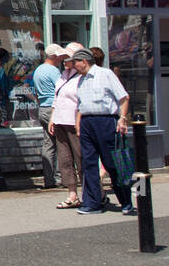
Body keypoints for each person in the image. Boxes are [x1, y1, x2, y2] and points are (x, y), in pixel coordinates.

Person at [71, 48, 134, 215]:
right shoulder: (80, 80)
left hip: (106, 121)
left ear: (84, 61)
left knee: (113, 163)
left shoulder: (105, 74)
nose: (73, 67)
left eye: (75, 63)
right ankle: (92, 203)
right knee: (89, 164)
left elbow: (123, 97)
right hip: (87, 123)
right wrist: (78, 124)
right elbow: (80, 105)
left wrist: (122, 118)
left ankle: (126, 201)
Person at [48, 45, 84, 209]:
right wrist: (52, 118)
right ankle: (72, 194)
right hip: (60, 120)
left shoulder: (82, 77)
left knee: (81, 157)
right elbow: (57, 97)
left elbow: (82, 101)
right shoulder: (63, 75)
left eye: (67, 58)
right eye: (63, 58)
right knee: (65, 159)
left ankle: (91, 192)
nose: (64, 61)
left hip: (74, 122)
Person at [32, 44, 67, 190]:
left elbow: (36, 92)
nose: (61, 58)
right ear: (53, 56)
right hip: (54, 109)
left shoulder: (38, 70)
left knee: (48, 143)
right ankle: (62, 177)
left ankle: (49, 178)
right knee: (61, 143)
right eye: (59, 56)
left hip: (43, 108)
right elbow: (62, 89)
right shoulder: (53, 71)